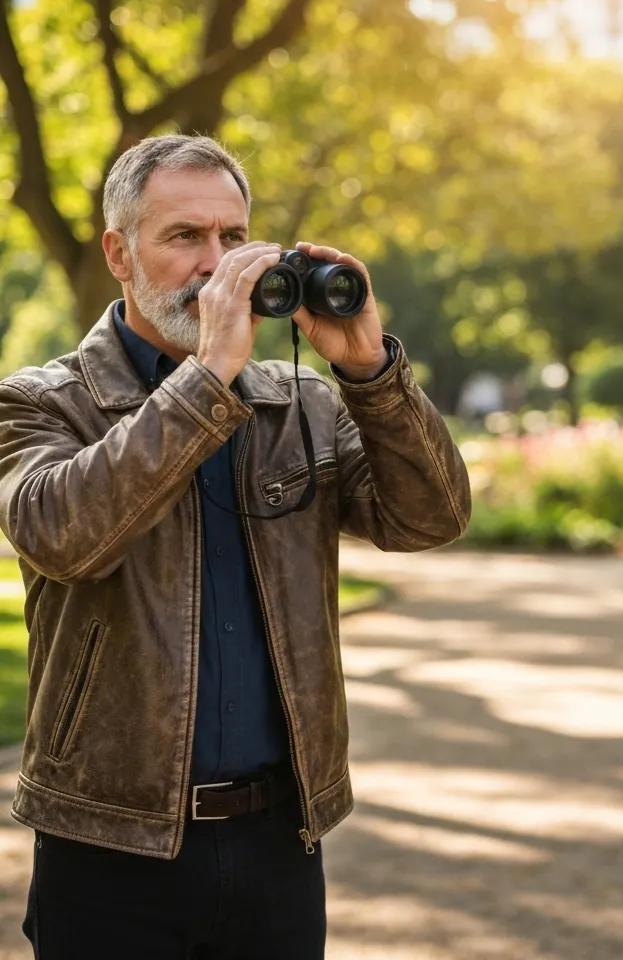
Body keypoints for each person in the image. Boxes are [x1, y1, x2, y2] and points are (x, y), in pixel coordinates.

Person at [0, 134, 471, 959]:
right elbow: (60, 534)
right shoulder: (40, 404)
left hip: (279, 842)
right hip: (110, 845)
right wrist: (207, 377)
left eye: (232, 236)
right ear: (118, 252)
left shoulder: (300, 404)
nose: (215, 264)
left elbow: (428, 517)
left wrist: (370, 372)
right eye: (184, 237)